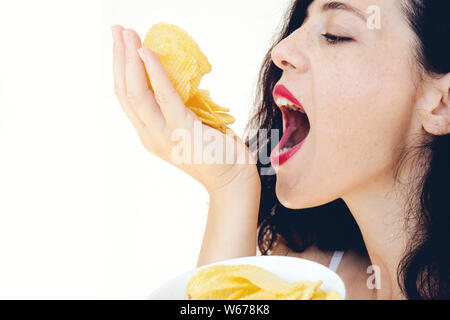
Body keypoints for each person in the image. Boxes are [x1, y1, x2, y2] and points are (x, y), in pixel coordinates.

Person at [111, 0, 450, 300]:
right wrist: (230, 188)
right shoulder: (304, 279)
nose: (280, 49)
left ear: (440, 105)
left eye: (336, 34)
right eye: (301, 22)